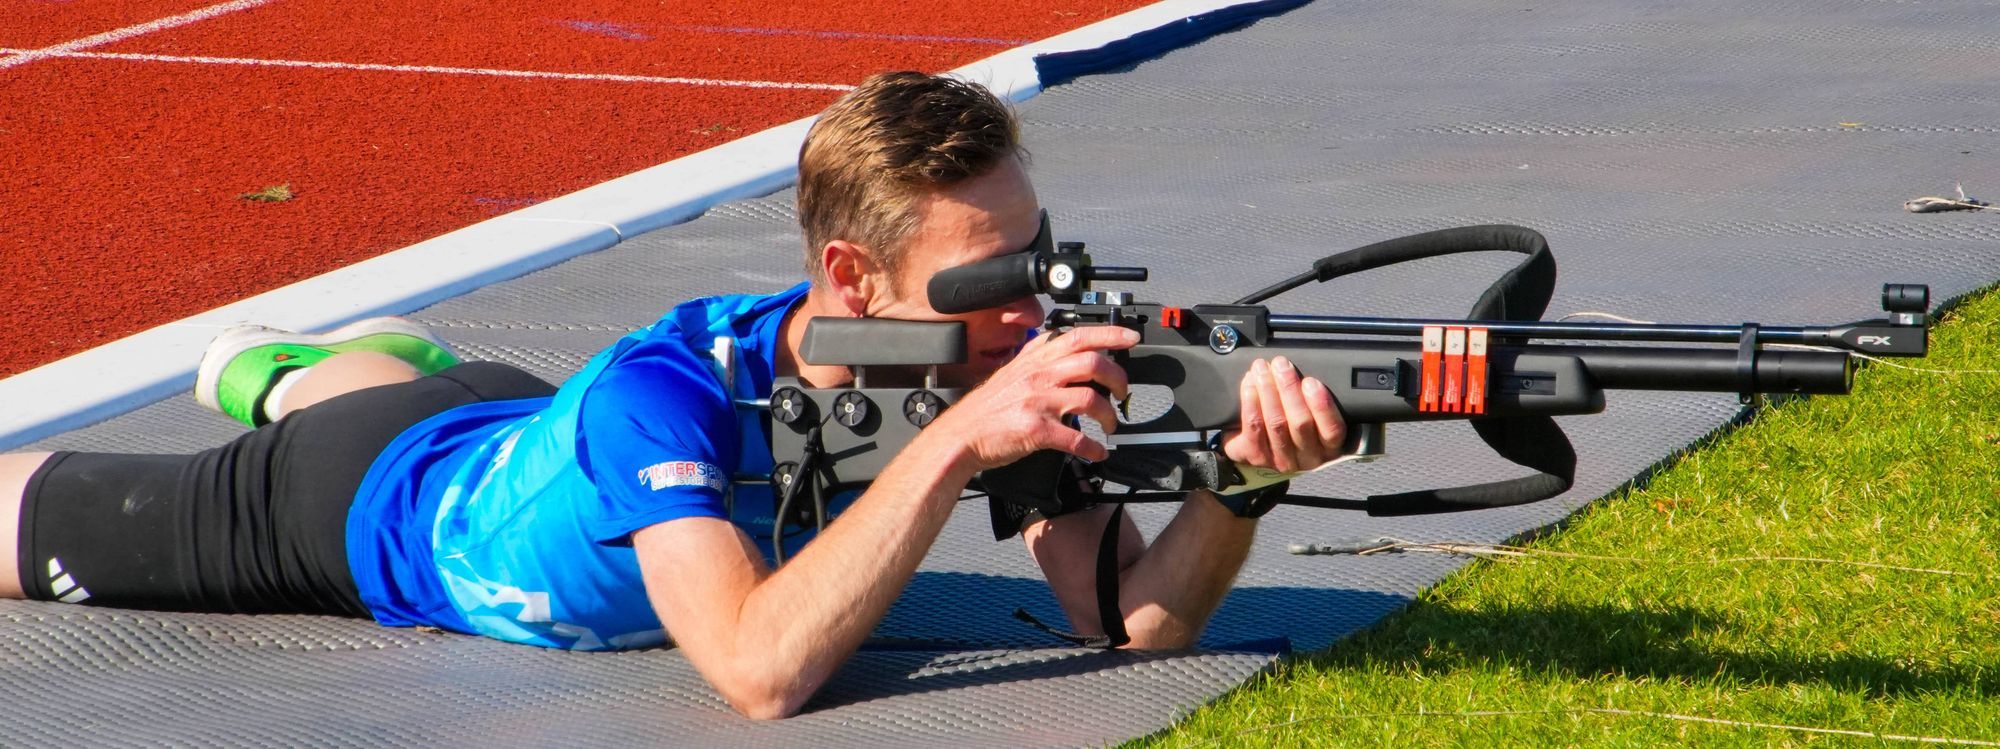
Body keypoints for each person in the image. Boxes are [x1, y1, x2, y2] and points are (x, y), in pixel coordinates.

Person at [0, 71, 1346, 719]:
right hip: (362, 504)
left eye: (1033, 249)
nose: (1026, 307)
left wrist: (1243, 479)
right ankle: (295, 375)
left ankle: (336, 362)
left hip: (525, 425)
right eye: (989, 275)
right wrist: (955, 446)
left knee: (451, 395)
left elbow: (1132, 625)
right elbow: (758, 672)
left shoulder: (984, 361)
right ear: (851, 275)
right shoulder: (667, 393)